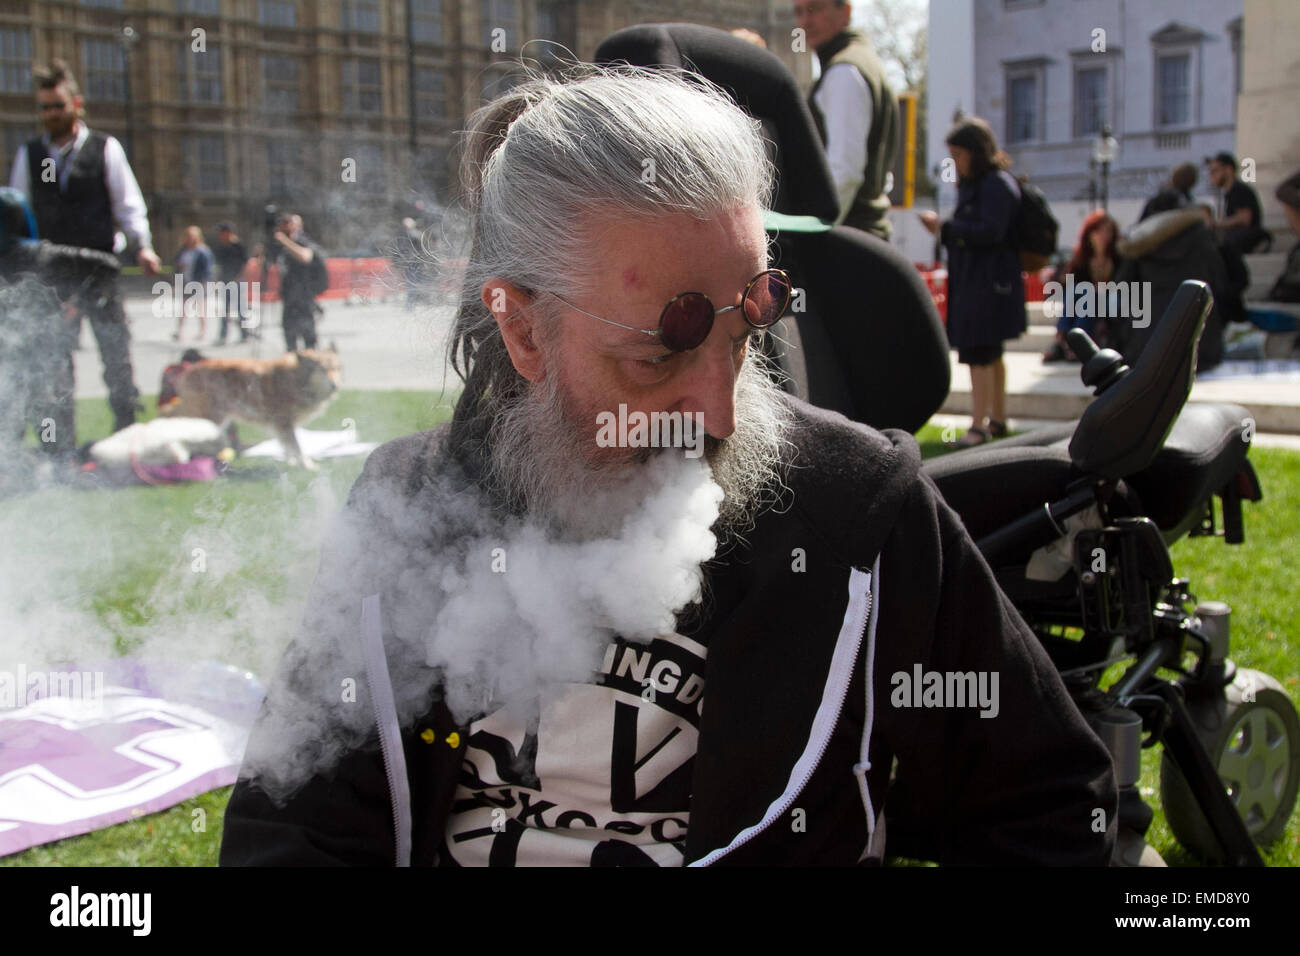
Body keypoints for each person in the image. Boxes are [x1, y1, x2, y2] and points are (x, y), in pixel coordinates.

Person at [219, 66, 1115, 867]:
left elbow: (1048, 810)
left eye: (743, 336)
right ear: (524, 330)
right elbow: (292, 822)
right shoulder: (408, 505)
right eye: (657, 358)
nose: (719, 412)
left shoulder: (859, 515)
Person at [8, 59, 161, 433]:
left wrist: (142, 245)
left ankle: (125, 431)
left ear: (76, 103)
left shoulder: (105, 148)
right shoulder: (29, 155)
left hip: (99, 269)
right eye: (44, 107)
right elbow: (18, 216)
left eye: (57, 105)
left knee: (116, 355)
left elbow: (128, 205)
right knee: (53, 362)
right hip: (51, 277)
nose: (51, 114)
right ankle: (62, 450)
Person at [919, 117, 1026, 447]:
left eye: (958, 154)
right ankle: (996, 419)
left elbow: (990, 231)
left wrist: (945, 230)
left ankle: (980, 425)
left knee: (980, 353)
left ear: (975, 153)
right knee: (989, 354)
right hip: (984, 283)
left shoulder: (994, 185)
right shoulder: (985, 184)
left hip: (986, 285)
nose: (954, 163)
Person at [795, 0, 899, 240]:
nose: (804, 22)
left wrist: (814, 234)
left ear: (846, 12)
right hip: (862, 235)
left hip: (849, 239)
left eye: (815, 9)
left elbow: (845, 172)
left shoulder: (844, 72)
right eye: (798, 12)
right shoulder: (859, 62)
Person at [1042, 211, 1124, 362]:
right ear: (1090, 234)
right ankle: (1071, 342)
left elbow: (1121, 284)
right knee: (1083, 294)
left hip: (1111, 299)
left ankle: (1068, 343)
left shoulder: (1118, 256)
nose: (1103, 235)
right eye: (1098, 231)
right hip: (1087, 300)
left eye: (1107, 231)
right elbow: (1073, 282)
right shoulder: (1082, 258)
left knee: (1086, 295)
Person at [271, 212, 324, 351]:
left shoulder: (302, 241)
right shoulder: (281, 247)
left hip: (303, 297)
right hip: (289, 297)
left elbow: (305, 257)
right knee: (289, 337)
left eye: (288, 224)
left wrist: (284, 241)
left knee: (308, 338)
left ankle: (310, 367)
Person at [1207, 151, 1267, 257]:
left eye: (1215, 171)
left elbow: (1244, 219)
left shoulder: (1239, 190)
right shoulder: (1228, 193)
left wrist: (1215, 224)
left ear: (1229, 170)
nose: (1211, 175)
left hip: (1246, 236)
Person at [172, 225, 214, 343]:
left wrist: (205, 282)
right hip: (186, 281)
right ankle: (179, 331)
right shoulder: (183, 251)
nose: (190, 239)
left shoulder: (203, 251)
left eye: (192, 236)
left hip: (199, 282)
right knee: (183, 308)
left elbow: (208, 269)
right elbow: (176, 266)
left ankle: (202, 331)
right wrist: (176, 281)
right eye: (188, 236)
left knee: (201, 308)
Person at [212, 221, 252, 344]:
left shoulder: (239, 246)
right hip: (225, 281)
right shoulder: (221, 247)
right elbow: (219, 266)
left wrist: (240, 277)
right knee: (225, 310)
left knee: (241, 309)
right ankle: (223, 335)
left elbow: (246, 263)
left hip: (238, 281)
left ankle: (245, 334)